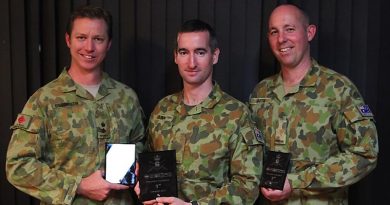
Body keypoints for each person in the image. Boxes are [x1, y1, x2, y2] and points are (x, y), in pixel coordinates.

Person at [6, 5, 145, 205]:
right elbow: (17, 166)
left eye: (98, 39)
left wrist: (139, 166)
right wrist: (78, 185)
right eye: (81, 38)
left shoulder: (126, 97)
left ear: (109, 44)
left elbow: (140, 146)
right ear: (68, 40)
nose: (89, 47)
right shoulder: (45, 100)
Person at [249, 3, 379, 205]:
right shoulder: (261, 93)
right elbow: (250, 155)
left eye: (290, 29)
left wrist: (296, 182)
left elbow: (364, 153)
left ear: (309, 32)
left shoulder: (338, 89)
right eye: (274, 32)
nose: (281, 38)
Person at [140, 19, 264, 205]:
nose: (191, 62)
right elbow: (151, 167)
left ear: (214, 56)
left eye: (200, 52)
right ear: (175, 56)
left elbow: (247, 186)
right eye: (184, 52)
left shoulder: (236, 114)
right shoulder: (162, 109)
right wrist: (142, 183)